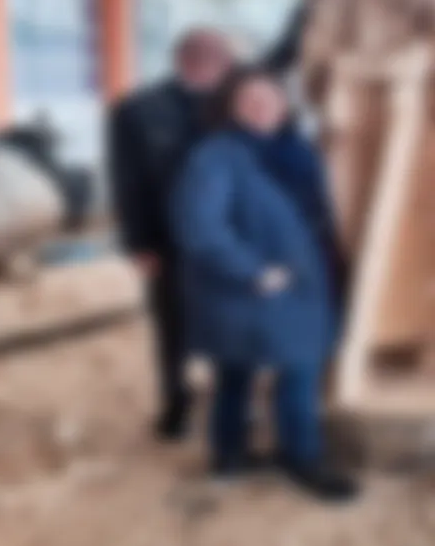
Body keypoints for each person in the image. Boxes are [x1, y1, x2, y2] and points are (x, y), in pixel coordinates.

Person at [171, 68, 356, 501]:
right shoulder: (216, 155)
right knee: (285, 369)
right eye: (250, 100)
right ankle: (299, 458)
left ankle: (232, 454)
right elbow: (200, 227)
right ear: (232, 107)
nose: (263, 107)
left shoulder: (297, 151)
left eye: (271, 98)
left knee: (254, 370)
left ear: (285, 104)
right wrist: (253, 271)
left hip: (302, 282)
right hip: (253, 288)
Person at [106, 28, 235, 439]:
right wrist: (140, 243)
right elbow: (128, 182)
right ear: (183, 60)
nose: (211, 65)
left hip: (228, 243)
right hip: (169, 241)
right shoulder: (139, 112)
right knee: (173, 328)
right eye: (202, 56)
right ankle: (177, 406)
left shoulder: (239, 108)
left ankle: (230, 405)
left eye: (218, 57)